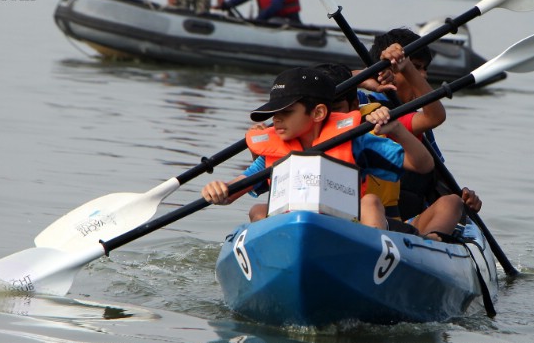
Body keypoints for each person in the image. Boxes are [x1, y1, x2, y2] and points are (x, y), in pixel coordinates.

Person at [200, 67, 433, 232]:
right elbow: (234, 191)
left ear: (318, 113)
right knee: (259, 211)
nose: (276, 121)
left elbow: (423, 165)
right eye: (274, 114)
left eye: (287, 112)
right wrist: (218, 190)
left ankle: (369, 264)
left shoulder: (355, 141)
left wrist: (398, 131)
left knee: (370, 202)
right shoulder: (273, 152)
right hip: (294, 234)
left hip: (348, 231)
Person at [313, 62, 469, 241]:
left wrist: (396, 129)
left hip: (383, 222)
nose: (326, 118)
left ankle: (430, 243)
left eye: (335, 109)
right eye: (317, 110)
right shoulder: (291, 127)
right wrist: (360, 78)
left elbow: (432, 124)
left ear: (354, 105)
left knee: (451, 202)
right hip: (320, 221)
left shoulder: (373, 122)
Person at [366, 29, 484, 232]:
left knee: (452, 201)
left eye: (423, 69)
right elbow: (327, 84)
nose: (424, 76)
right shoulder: (363, 106)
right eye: (417, 68)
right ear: (384, 71)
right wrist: (367, 77)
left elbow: (436, 179)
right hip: (366, 217)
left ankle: (432, 240)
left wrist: (464, 196)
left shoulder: (420, 124)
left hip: (411, 224)